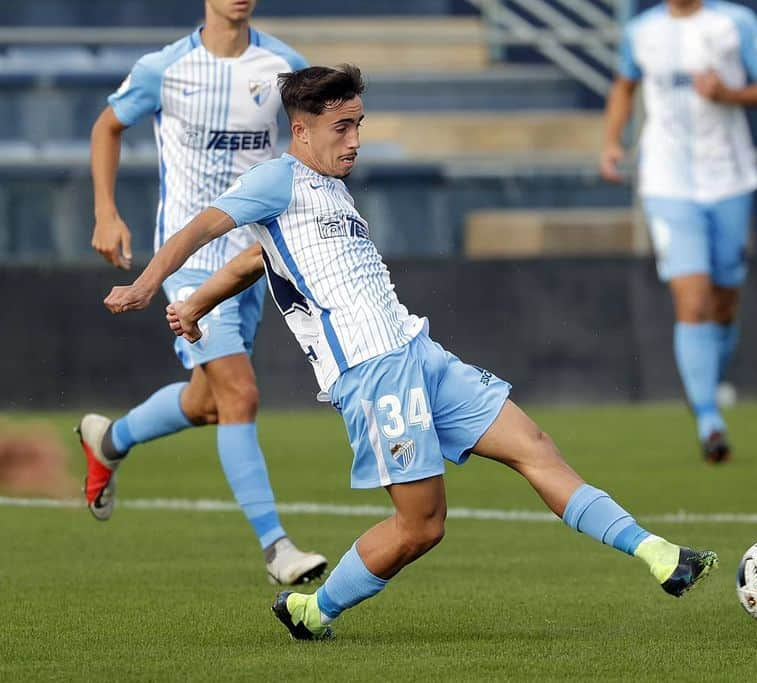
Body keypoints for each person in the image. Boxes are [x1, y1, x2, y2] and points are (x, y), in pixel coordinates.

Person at [103, 65, 718, 641]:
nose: (354, 141)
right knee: (421, 526)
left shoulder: (328, 189)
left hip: (418, 351)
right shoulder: (275, 179)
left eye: (359, 126)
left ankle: (656, 553)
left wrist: (198, 307)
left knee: (534, 447)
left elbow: (252, 261)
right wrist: (149, 286)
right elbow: (200, 230)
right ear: (301, 131)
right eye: (342, 128)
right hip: (371, 373)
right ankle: (314, 611)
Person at [82, 0, 326, 585]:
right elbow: (107, 126)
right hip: (186, 263)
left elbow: (312, 145)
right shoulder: (164, 69)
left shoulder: (284, 65)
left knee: (208, 401)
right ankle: (278, 549)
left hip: (252, 263)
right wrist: (106, 212)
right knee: (239, 393)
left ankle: (109, 439)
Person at [600, 0, 757, 463]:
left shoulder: (734, 22)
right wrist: (610, 142)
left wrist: (730, 94)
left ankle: (703, 385)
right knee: (693, 296)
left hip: (729, 177)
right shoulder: (642, 30)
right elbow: (625, 86)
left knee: (725, 299)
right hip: (667, 182)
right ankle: (709, 418)